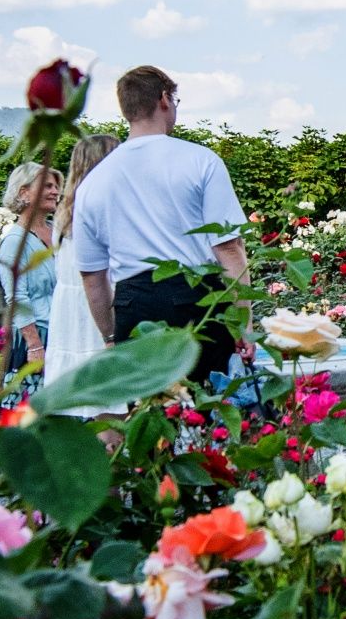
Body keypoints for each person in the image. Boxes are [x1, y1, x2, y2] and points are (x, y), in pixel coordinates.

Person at [71, 66, 252, 384]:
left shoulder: (92, 182)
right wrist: (243, 324)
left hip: (133, 305)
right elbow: (228, 248)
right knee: (207, 414)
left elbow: (92, 277)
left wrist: (110, 335)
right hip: (196, 300)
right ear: (165, 99)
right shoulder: (201, 160)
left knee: (149, 417)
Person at [42, 134, 121, 414]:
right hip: (98, 302)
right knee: (111, 398)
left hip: (69, 309)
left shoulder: (64, 215)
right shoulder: (103, 209)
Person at [0, 161, 60, 374]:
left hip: (65, 330)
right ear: (24, 192)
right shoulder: (15, 241)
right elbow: (16, 297)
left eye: (56, 186)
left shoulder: (58, 232)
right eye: (47, 186)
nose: (55, 191)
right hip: (40, 336)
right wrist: (34, 345)